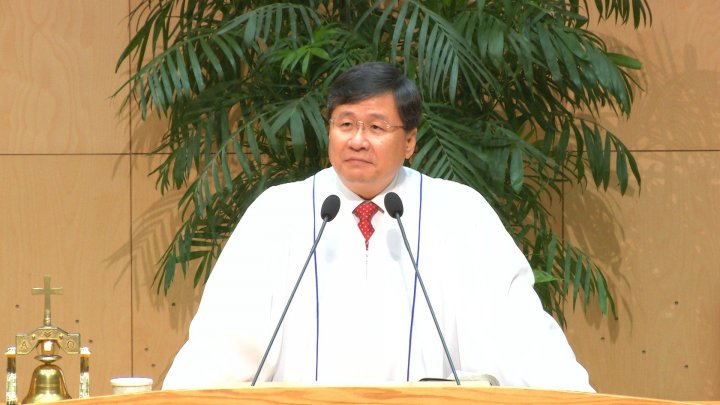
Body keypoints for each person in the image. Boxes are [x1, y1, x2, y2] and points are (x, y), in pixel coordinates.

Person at [162, 62, 594, 391]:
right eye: (345, 124)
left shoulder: (460, 214)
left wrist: (575, 396)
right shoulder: (277, 214)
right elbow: (221, 343)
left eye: (375, 127)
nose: (357, 140)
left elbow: (516, 332)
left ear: (410, 141)